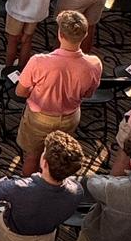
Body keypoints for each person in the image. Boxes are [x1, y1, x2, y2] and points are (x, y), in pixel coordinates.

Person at [13, 9, 101, 172]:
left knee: (32, 157)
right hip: (70, 117)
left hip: (40, 118)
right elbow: (88, 94)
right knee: (57, 158)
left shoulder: (39, 61)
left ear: (60, 34)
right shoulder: (94, 64)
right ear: (84, 34)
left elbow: (20, 92)